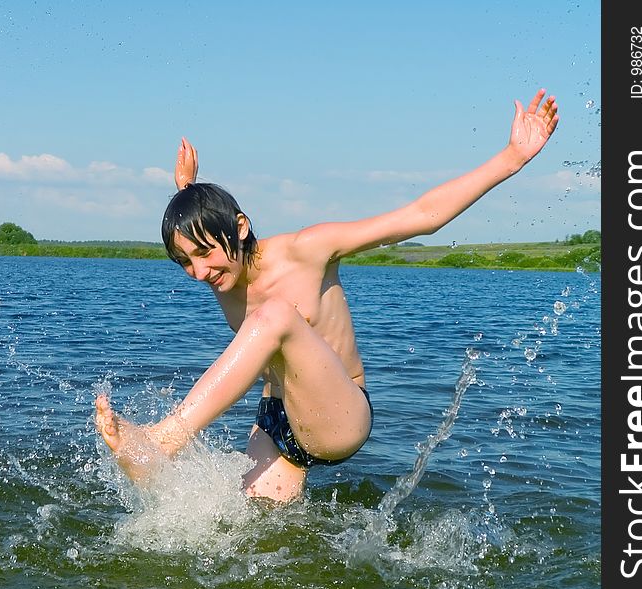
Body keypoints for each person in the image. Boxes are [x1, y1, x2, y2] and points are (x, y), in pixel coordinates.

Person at [95, 88, 559, 503]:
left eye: (204, 255)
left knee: (275, 316)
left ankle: (165, 439)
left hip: (339, 416)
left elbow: (421, 214)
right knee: (244, 538)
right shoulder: (222, 265)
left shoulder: (308, 249)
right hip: (275, 421)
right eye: (186, 263)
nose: (199, 274)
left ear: (240, 228)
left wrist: (511, 158)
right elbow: (204, 229)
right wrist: (187, 190)